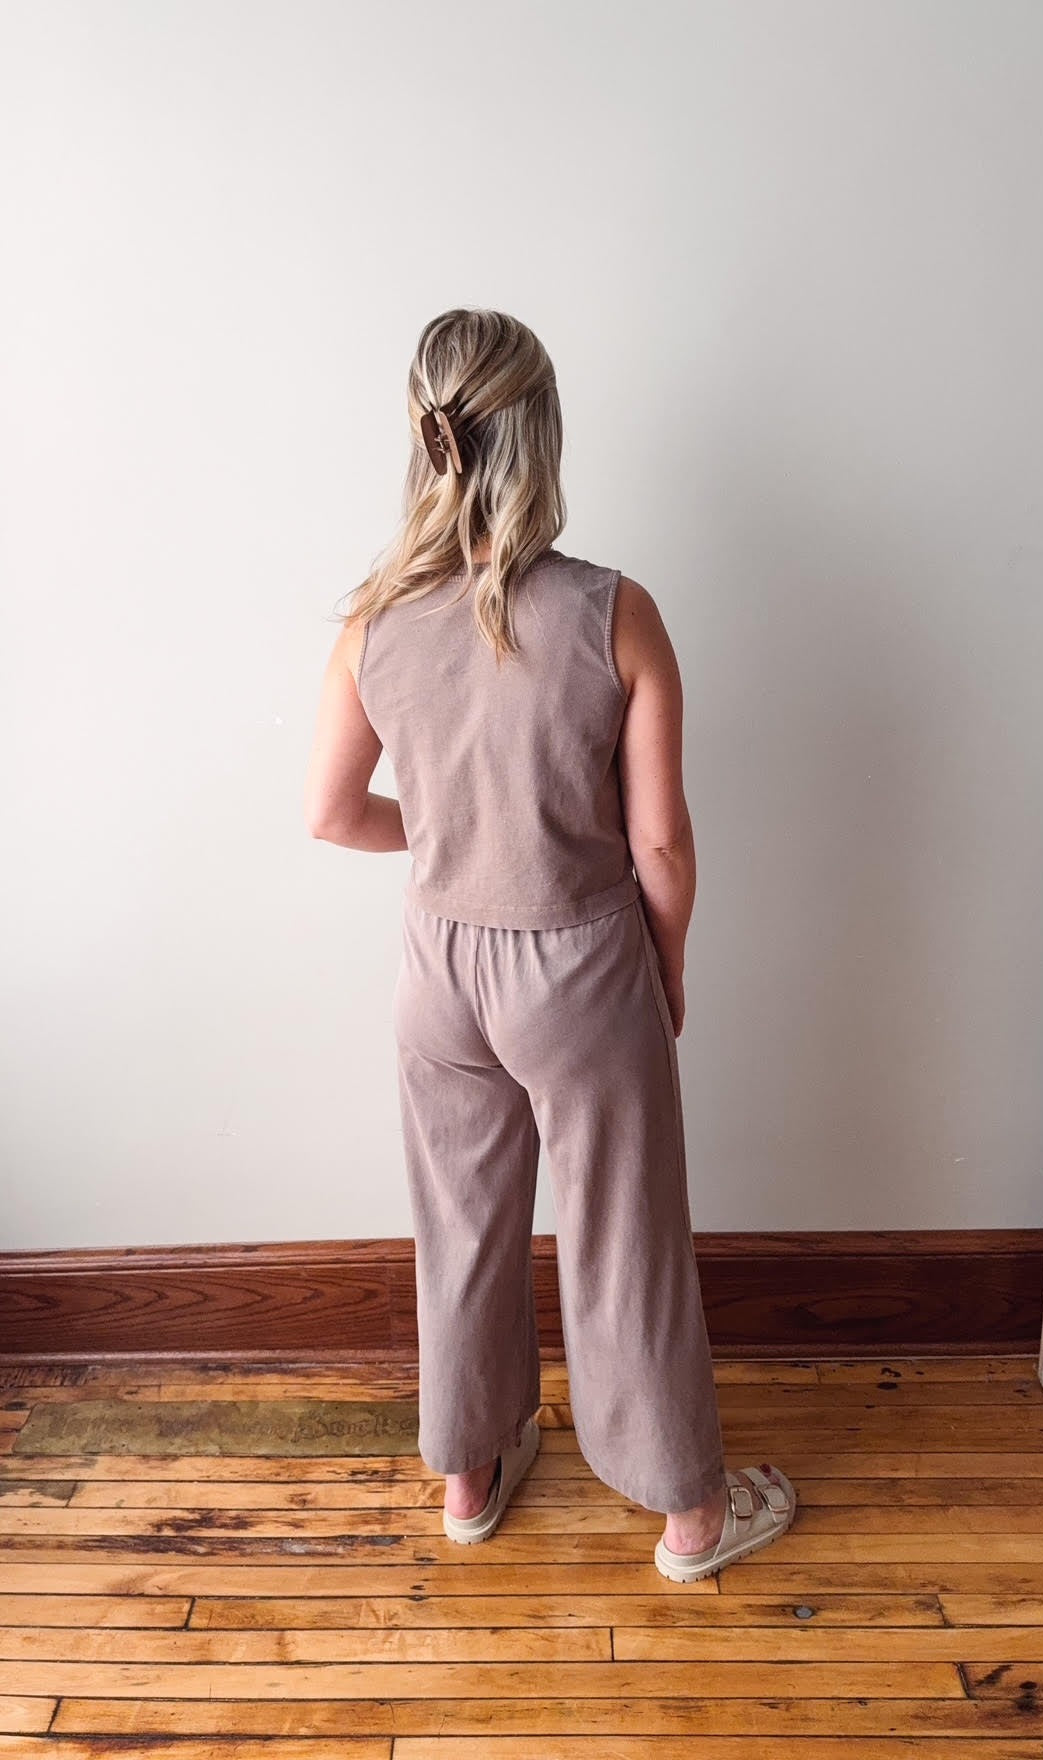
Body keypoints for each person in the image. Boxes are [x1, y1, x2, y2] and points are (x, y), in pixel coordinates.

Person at [304, 307, 797, 1582]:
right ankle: (690, 1512)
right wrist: (667, 962)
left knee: (459, 1222)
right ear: (542, 431)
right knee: (620, 1227)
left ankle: (468, 1475)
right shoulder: (612, 612)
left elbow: (329, 811)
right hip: (576, 961)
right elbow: (662, 848)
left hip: (437, 967)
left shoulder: (371, 621)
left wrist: (459, 827)